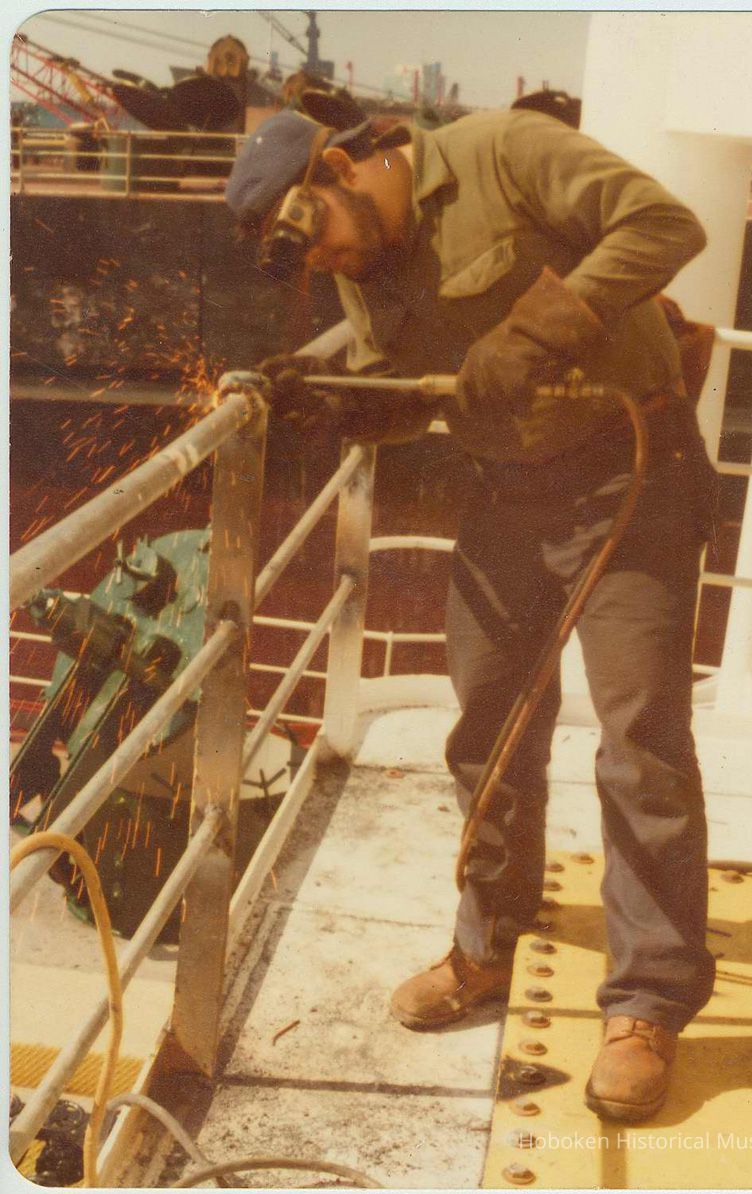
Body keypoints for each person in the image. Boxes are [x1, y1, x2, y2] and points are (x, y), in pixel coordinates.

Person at [224, 104, 719, 1123]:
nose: (329, 262)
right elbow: (419, 393)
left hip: (633, 473)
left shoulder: (503, 152)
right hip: (509, 496)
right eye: (310, 259)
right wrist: (339, 400)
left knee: (640, 740)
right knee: (487, 723)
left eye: (320, 233)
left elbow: (666, 225)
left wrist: (536, 331)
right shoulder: (365, 260)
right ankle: (488, 942)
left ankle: (647, 1002)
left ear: (340, 165)